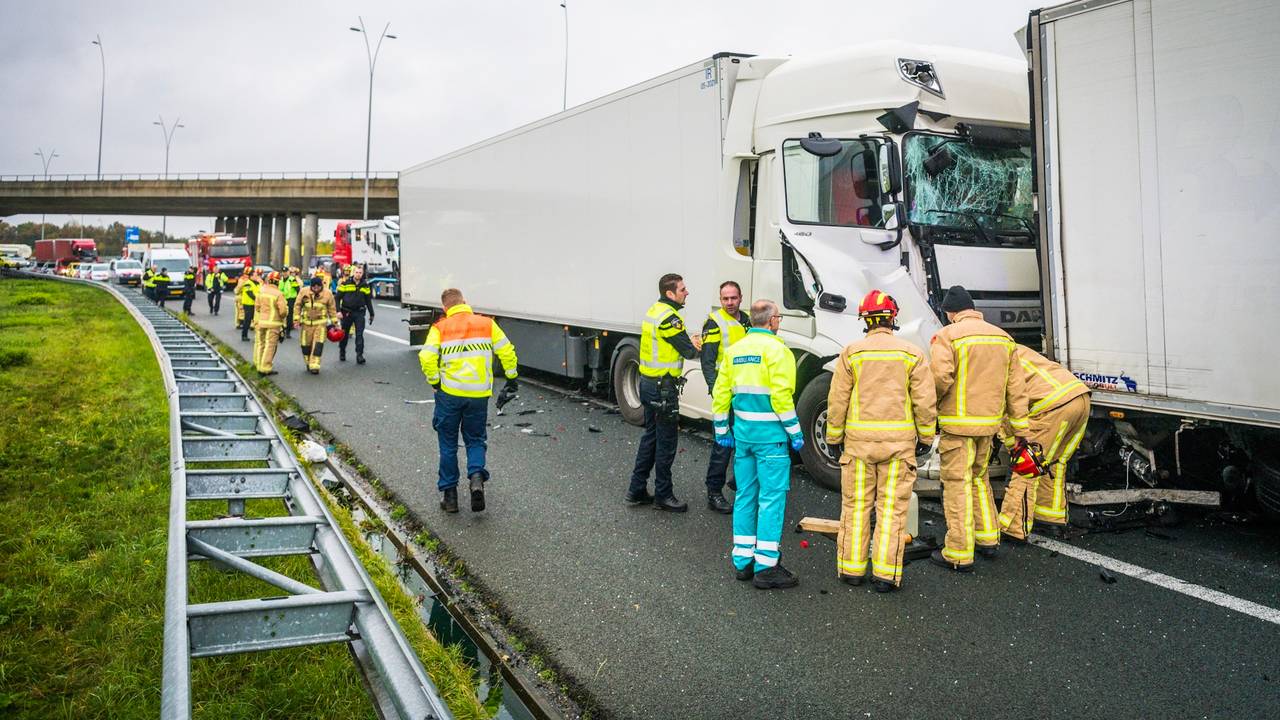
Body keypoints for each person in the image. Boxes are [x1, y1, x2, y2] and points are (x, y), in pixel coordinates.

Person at [824, 291, 937, 592]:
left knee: (855, 507)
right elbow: (924, 402)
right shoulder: (912, 354)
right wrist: (925, 437)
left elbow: (837, 400)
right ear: (893, 318)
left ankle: (852, 570)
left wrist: (834, 437)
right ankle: (886, 575)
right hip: (898, 448)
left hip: (859, 447)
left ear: (865, 319)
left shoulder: (852, 353)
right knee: (891, 510)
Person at [928, 285, 1028, 572]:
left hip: (958, 426)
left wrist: (928, 408)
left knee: (957, 484)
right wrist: (1021, 430)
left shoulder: (948, 336)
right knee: (979, 478)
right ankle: (988, 538)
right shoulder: (1003, 338)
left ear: (950, 312)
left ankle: (958, 552)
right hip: (989, 425)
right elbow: (1016, 389)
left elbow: (940, 378)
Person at [712, 299, 804, 589]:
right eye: (779, 317)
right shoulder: (779, 351)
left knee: (746, 496)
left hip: (744, 438)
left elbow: (720, 392)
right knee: (771, 500)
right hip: (771, 439)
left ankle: (743, 561)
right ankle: (766, 566)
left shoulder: (735, 350)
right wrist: (795, 431)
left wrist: (721, 428)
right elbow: (781, 396)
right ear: (772, 320)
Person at [418, 288, 519, 513]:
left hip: (450, 395)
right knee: (475, 440)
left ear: (445, 308)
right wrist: (511, 377)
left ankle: (450, 497)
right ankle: (475, 478)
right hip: (478, 395)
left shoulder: (440, 328)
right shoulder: (486, 324)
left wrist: (435, 382)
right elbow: (507, 351)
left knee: (448, 444)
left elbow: (426, 356)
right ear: (465, 302)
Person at [626, 273, 703, 512]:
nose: (686, 292)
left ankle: (637, 489)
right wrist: (700, 345)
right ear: (670, 293)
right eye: (682, 289)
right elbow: (689, 352)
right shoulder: (670, 319)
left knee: (651, 437)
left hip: (649, 384)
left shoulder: (655, 310)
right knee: (666, 442)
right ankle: (663, 495)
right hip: (663, 389)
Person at [997, 345, 1091, 541]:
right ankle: (1050, 518)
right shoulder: (1011, 349)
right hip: (1079, 397)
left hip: (1052, 405)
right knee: (1054, 463)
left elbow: (1003, 410)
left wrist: (1009, 442)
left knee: (1026, 467)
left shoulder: (988, 365)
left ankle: (1013, 528)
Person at [700, 280, 750, 514]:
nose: (730, 302)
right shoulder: (714, 323)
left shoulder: (747, 320)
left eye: (733, 298)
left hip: (746, 390)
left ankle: (737, 481)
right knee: (723, 443)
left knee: (744, 440)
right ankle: (714, 492)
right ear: (720, 300)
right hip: (725, 391)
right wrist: (714, 388)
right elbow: (707, 361)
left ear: (740, 298)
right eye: (725, 299)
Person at [294, 275, 338, 374]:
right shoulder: (304, 292)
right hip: (306, 324)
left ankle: (315, 366)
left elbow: (332, 309)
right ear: (311, 286)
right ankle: (308, 362)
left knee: (318, 345)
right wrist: (296, 319)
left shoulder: (328, 294)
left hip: (320, 324)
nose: (316, 289)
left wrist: (335, 322)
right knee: (305, 346)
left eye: (318, 287)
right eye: (314, 287)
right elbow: (297, 306)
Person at [336, 264, 375, 364]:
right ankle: (342, 351)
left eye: (360, 273)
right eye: (357, 272)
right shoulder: (345, 283)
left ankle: (359, 355)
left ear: (362, 274)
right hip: (347, 312)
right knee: (344, 334)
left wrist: (372, 314)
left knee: (359, 334)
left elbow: (368, 300)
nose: (358, 274)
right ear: (354, 273)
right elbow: (337, 298)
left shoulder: (365, 285)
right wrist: (338, 311)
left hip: (359, 312)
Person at [251, 271, 288, 375]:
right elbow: (283, 311)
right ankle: (265, 368)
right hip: (274, 324)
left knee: (261, 344)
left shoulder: (261, 291)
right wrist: (282, 318)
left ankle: (259, 365)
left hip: (262, 322)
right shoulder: (279, 294)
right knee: (270, 345)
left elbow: (257, 307)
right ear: (277, 282)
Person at [239, 269, 261, 341]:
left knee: (256, 320)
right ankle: (244, 335)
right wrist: (258, 299)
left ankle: (257, 337)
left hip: (255, 304)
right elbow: (250, 294)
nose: (257, 276)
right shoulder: (247, 283)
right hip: (248, 304)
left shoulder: (257, 283)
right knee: (247, 320)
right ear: (251, 276)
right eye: (255, 275)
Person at [280, 267, 301, 339]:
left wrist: (298, 299)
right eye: (283, 272)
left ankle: (288, 332)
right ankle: (282, 330)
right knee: (282, 315)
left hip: (291, 299)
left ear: (288, 272)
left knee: (289, 316)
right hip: (282, 299)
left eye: (286, 272)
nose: (285, 273)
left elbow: (297, 289)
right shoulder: (280, 280)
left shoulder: (292, 279)